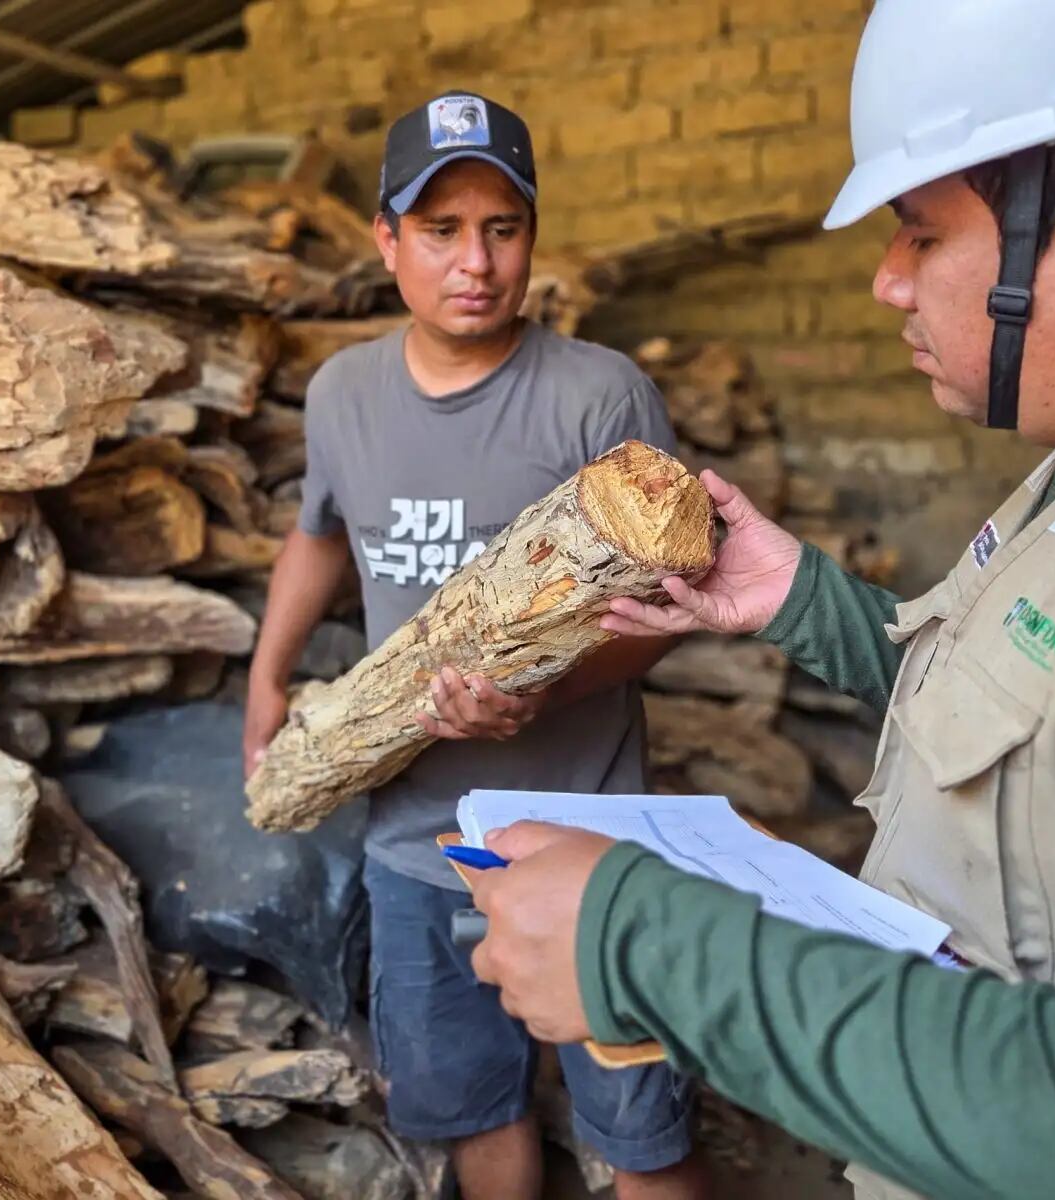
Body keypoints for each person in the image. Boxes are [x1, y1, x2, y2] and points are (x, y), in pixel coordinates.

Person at [464, 3, 1055, 1197]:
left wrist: (642, 939)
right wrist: (801, 601)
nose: (886, 282)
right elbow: (1045, 704)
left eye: (917, 234)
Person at [243, 91, 708, 1200]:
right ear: (386, 241)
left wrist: (543, 695)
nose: (477, 262)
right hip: (416, 843)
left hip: (589, 833)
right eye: (442, 230)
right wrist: (265, 679)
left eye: (503, 228)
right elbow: (320, 538)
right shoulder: (343, 393)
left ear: (533, 238)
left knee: (642, 1137)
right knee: (478, 1117)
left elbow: (672, 602)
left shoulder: (599, 395)